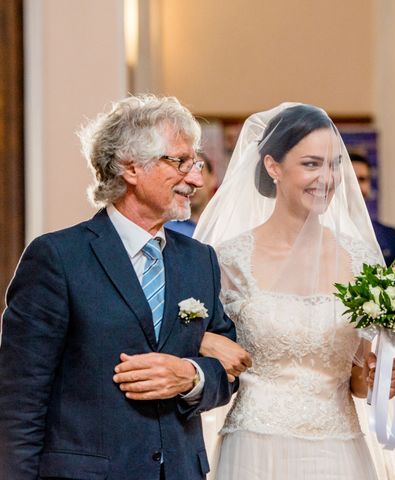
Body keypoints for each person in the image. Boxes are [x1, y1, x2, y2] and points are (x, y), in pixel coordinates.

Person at [0, 95, 237, 480]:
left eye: (194, 164)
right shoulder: (58, 257)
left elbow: (227, 372)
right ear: (130, 167)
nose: (195, 179)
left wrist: (192, 377)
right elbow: (20, 400)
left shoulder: (200, 260)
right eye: (179, 162)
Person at [194, 103, 395, 479]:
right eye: (311, 164)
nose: (327, 177)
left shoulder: (360, 260)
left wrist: (376, 379)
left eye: (334, 164)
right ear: (273, 166)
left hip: (337, 447)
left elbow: (358, 380)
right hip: (255, 447)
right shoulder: (228, 259)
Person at [350, 151, 395, 265]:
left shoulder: (391, 237)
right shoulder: (322, 234)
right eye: (350, 179)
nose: (357, 187)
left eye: (362, 179)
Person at [166, 151, 218, 237]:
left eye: (199, 171)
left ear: (213, 179)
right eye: (184, 173)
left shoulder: (226, 222)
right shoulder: (166, 229)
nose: (191, 181)